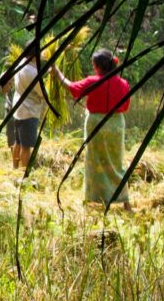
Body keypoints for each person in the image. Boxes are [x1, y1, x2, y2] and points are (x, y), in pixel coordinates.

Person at [52, 49, 132, 210]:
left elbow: (71, 87)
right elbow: (126, 106)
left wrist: (56, 72)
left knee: (94, 161)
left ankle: (93, 199)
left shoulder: (92, 81)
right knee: (116, 161)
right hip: (116, 125)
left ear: (98, 67)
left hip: (96, 124)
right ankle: (125, 202)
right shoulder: (123, 83)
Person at [10, 41, 46, 169]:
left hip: (18, 109)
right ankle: (24, 175)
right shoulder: (32, 72)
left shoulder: (21, 64)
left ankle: (14, 169)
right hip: (28, 111)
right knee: (26, 147)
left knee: (18, 141)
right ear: (33, 55)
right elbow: (42, 93)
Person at [0, 72, 19, 168]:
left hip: (20, 110)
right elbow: (3, 90)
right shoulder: (5, 74)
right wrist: (9, 82)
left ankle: (21, 163)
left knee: (21, 138)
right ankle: (15, 165)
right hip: (10, 111)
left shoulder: (22, 72)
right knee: (11, 138)